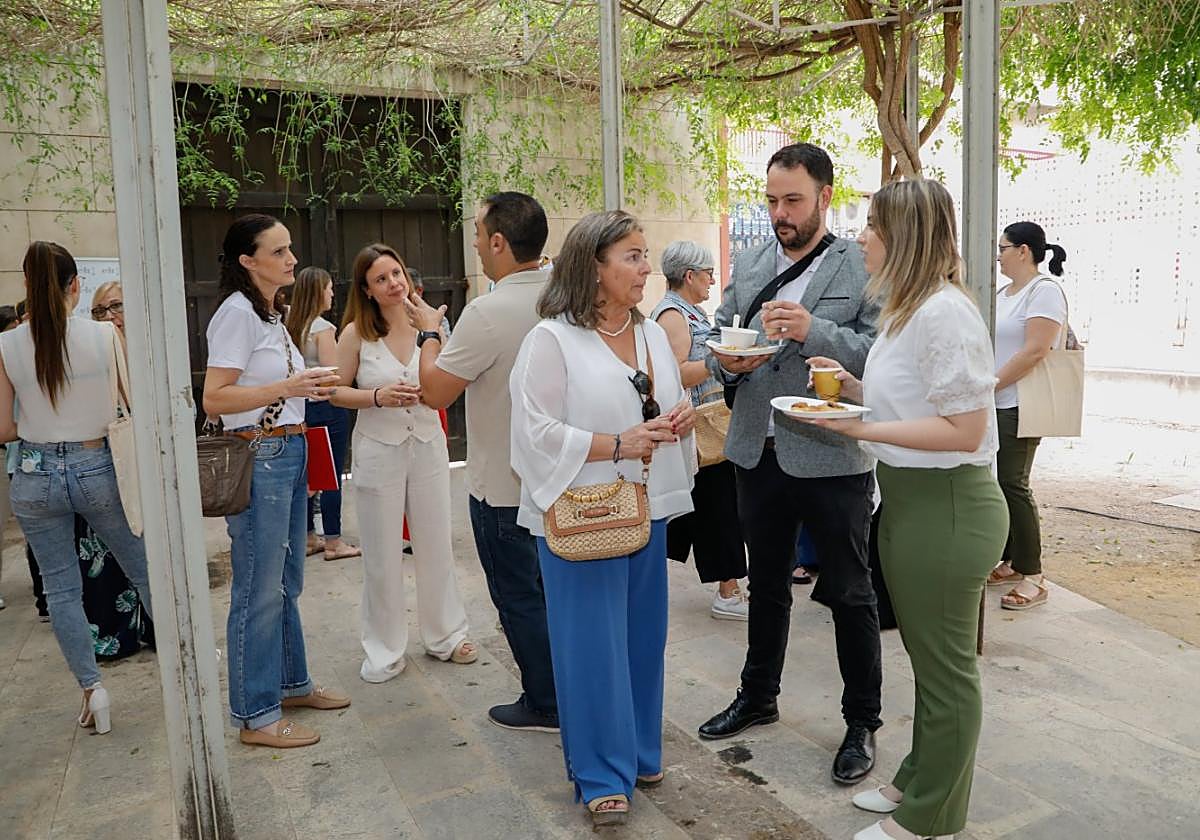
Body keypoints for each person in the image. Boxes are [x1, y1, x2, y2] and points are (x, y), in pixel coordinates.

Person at [800, 178, 1008, 840]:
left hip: (947, 507)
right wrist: (851, 390)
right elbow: (913, 405)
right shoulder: (909, 309)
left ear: (903, 237)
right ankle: (916, 778)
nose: (860, 236)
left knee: (947, 673)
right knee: (927, 660)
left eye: (871, 225)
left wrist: (862, 431)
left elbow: (965, 430)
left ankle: (928, 818)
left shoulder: (946, 312)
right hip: (913, 503)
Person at [699, 142, 883, 786]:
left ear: (825, 197)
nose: (780, 212)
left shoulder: (859, 266)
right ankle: (758, 695)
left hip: (833, 455)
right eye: (772, 200)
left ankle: (862, 721)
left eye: (793, 200)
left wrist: (814, 331)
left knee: (851, 592)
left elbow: (877, 356)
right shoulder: (749, 263)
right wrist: (729, 360)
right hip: (757, 447)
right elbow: (717, 333)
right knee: (767, 584)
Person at [509, 210, 696, 828]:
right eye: (633, 257)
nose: (647, 268)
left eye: (646, 255)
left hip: (648, 507)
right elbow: (533, 431)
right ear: (593, 266)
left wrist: (678, 418)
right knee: (591, 646)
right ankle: (598, 772)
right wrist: (617, 443)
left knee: (644, 639)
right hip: (581, 514)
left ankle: (640, 751)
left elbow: (657, 406)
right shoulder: (551, 339)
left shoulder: (648, 335)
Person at [405, 191, 560, 732]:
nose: (473, 242)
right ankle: (568, 687)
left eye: (476, 233)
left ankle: (546, 700)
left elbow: (436, 392)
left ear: (498, 241)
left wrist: (428, 333)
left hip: (503, 484)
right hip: (562, 476)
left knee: (518, 596)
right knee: (557, 596)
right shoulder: (567, 297)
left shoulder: (489, 311)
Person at [203, 214, 350, 749]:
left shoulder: (269, 313)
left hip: (286, 448)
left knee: (288, 579)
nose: (292, 259)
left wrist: (299, 390)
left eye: (290, 249)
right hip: (261, 454)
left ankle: (290, 683)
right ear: (248, 260)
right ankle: (255, 714)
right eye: (279, 251)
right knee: (259, 589)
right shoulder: (237, 315)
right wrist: (288, 384)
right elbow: (215, 399)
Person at [0, 241, 154, 734]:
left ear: (27, 286)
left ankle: (93, 692)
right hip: (96, 465)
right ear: (75, 285)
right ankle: (183, 665)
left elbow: (3, 429)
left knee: (61, 589)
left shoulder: (7, 345)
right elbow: (132, 405)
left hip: (34, 472)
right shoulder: (105, 336)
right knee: (146, 570)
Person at [332, 242, 477, 684]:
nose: (393, 283)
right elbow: (335, 391)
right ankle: (383, 647)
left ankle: (446, 635)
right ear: (367, 289)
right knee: (381, 553)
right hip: (378, 448)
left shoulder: (431, 327)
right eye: (381, 279)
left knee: (436, 544)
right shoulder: (355, 333)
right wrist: (376, 396)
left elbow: (450, 380)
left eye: (396, 273)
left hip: (429, 445)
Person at [649, 240, 748, 620]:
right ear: (688, 276)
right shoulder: (673, 315)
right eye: (707, 273)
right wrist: (717, 360)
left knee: (704, 508)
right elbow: (674, 372)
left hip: (700, 426)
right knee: (717, 507)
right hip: (696, 426)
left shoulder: (687, 311)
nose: (711, 281)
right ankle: (728, 590)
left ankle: (727, 585)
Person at [987, 221, 1069, 611]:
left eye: (1002, 248)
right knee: (998, 484)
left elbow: (1037, 350)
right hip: (995, 401)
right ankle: (1013, 561)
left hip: (1018, 401)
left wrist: (993, 384)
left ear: (1023, 251)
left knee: (1012, 483)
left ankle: (1034, 574)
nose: (998, 255)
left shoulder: (1045, 292)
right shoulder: (1003, 293)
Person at [81, 281, 154, 657]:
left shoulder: (152, 350)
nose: (110, 316)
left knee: (152, 549)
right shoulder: (89, 355)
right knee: (103, 555)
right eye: (99, 311)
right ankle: (114, 636)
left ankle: (161, 630)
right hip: (103, 466)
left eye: (117, 306)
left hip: (146, 463)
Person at [284, 266, 359, 562]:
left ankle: (308, 537)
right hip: (327, 408)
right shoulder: (322, 329)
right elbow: (334, 375)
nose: (332, 293)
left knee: (307, 475)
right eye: (328, 288)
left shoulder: (290, 326)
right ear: (319, 292)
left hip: (301, 408)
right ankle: (334, 541)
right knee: (331, 477)